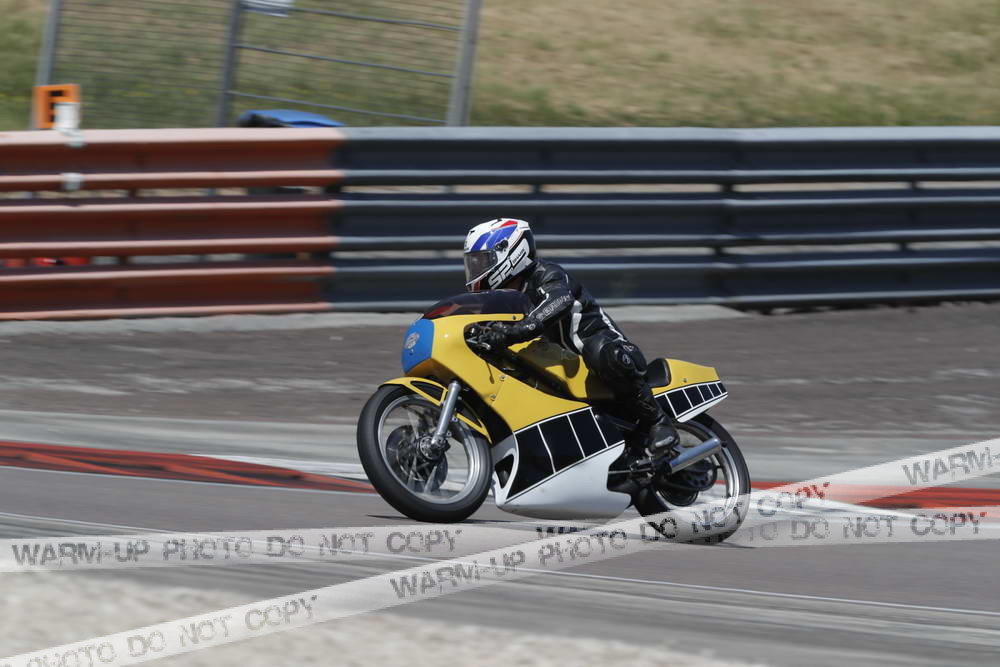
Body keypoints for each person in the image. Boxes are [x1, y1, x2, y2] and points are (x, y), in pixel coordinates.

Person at [463, 218, 679, 458]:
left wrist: (515, 331)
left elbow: (559, 301)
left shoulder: (547, 274)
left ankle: (658, 421)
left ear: (510, 252)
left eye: (483, 261)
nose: (476, 270)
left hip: (611, 353)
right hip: (565, 368)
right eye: (473, 263)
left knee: (601, 350)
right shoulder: (502, 299)